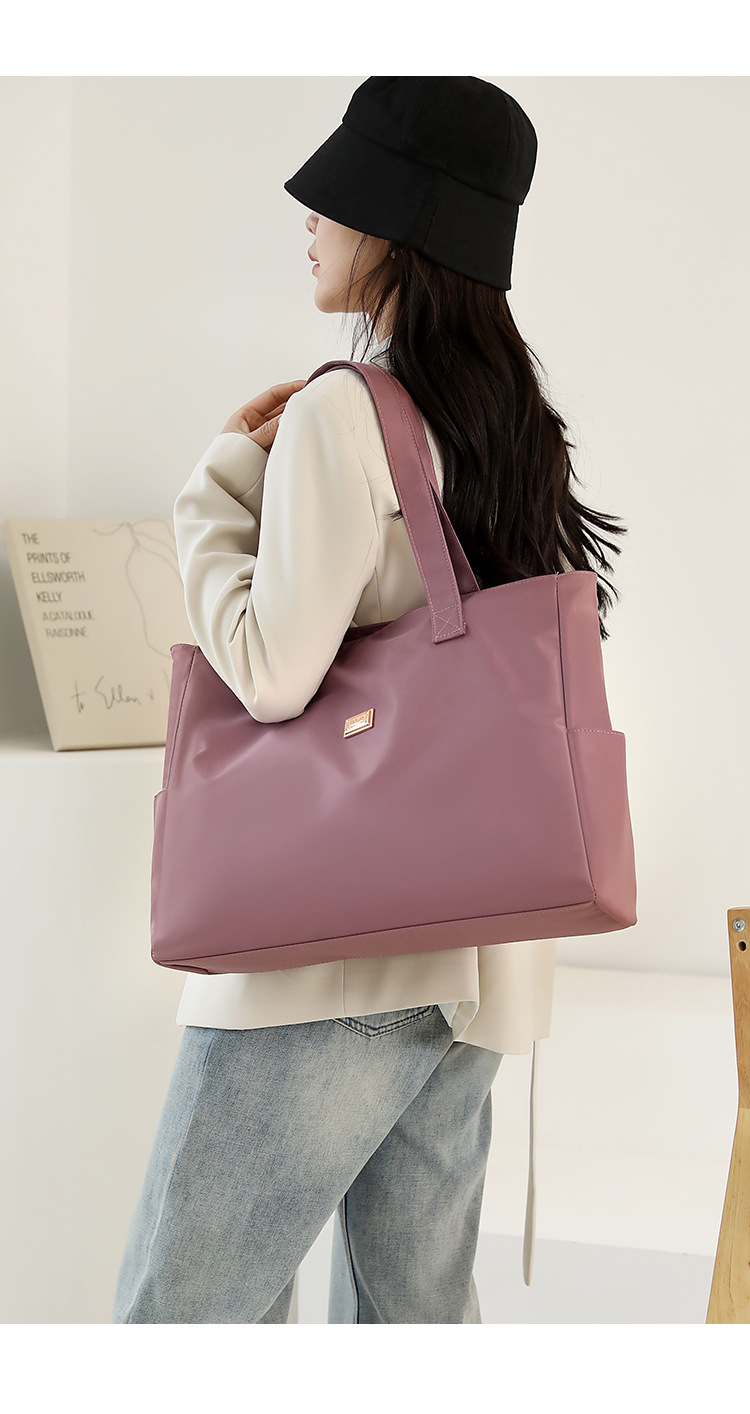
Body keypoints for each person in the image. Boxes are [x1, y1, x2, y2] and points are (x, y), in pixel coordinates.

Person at [112, 76, 627, 1325]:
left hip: (331, 965)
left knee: (178, 1327)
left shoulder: (348, 411)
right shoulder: (518, 425)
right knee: (411, 1334)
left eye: (334, 199)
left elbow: (269, 670)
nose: (309, 218)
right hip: (477, 967)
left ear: (397, 224)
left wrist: (214, 491)